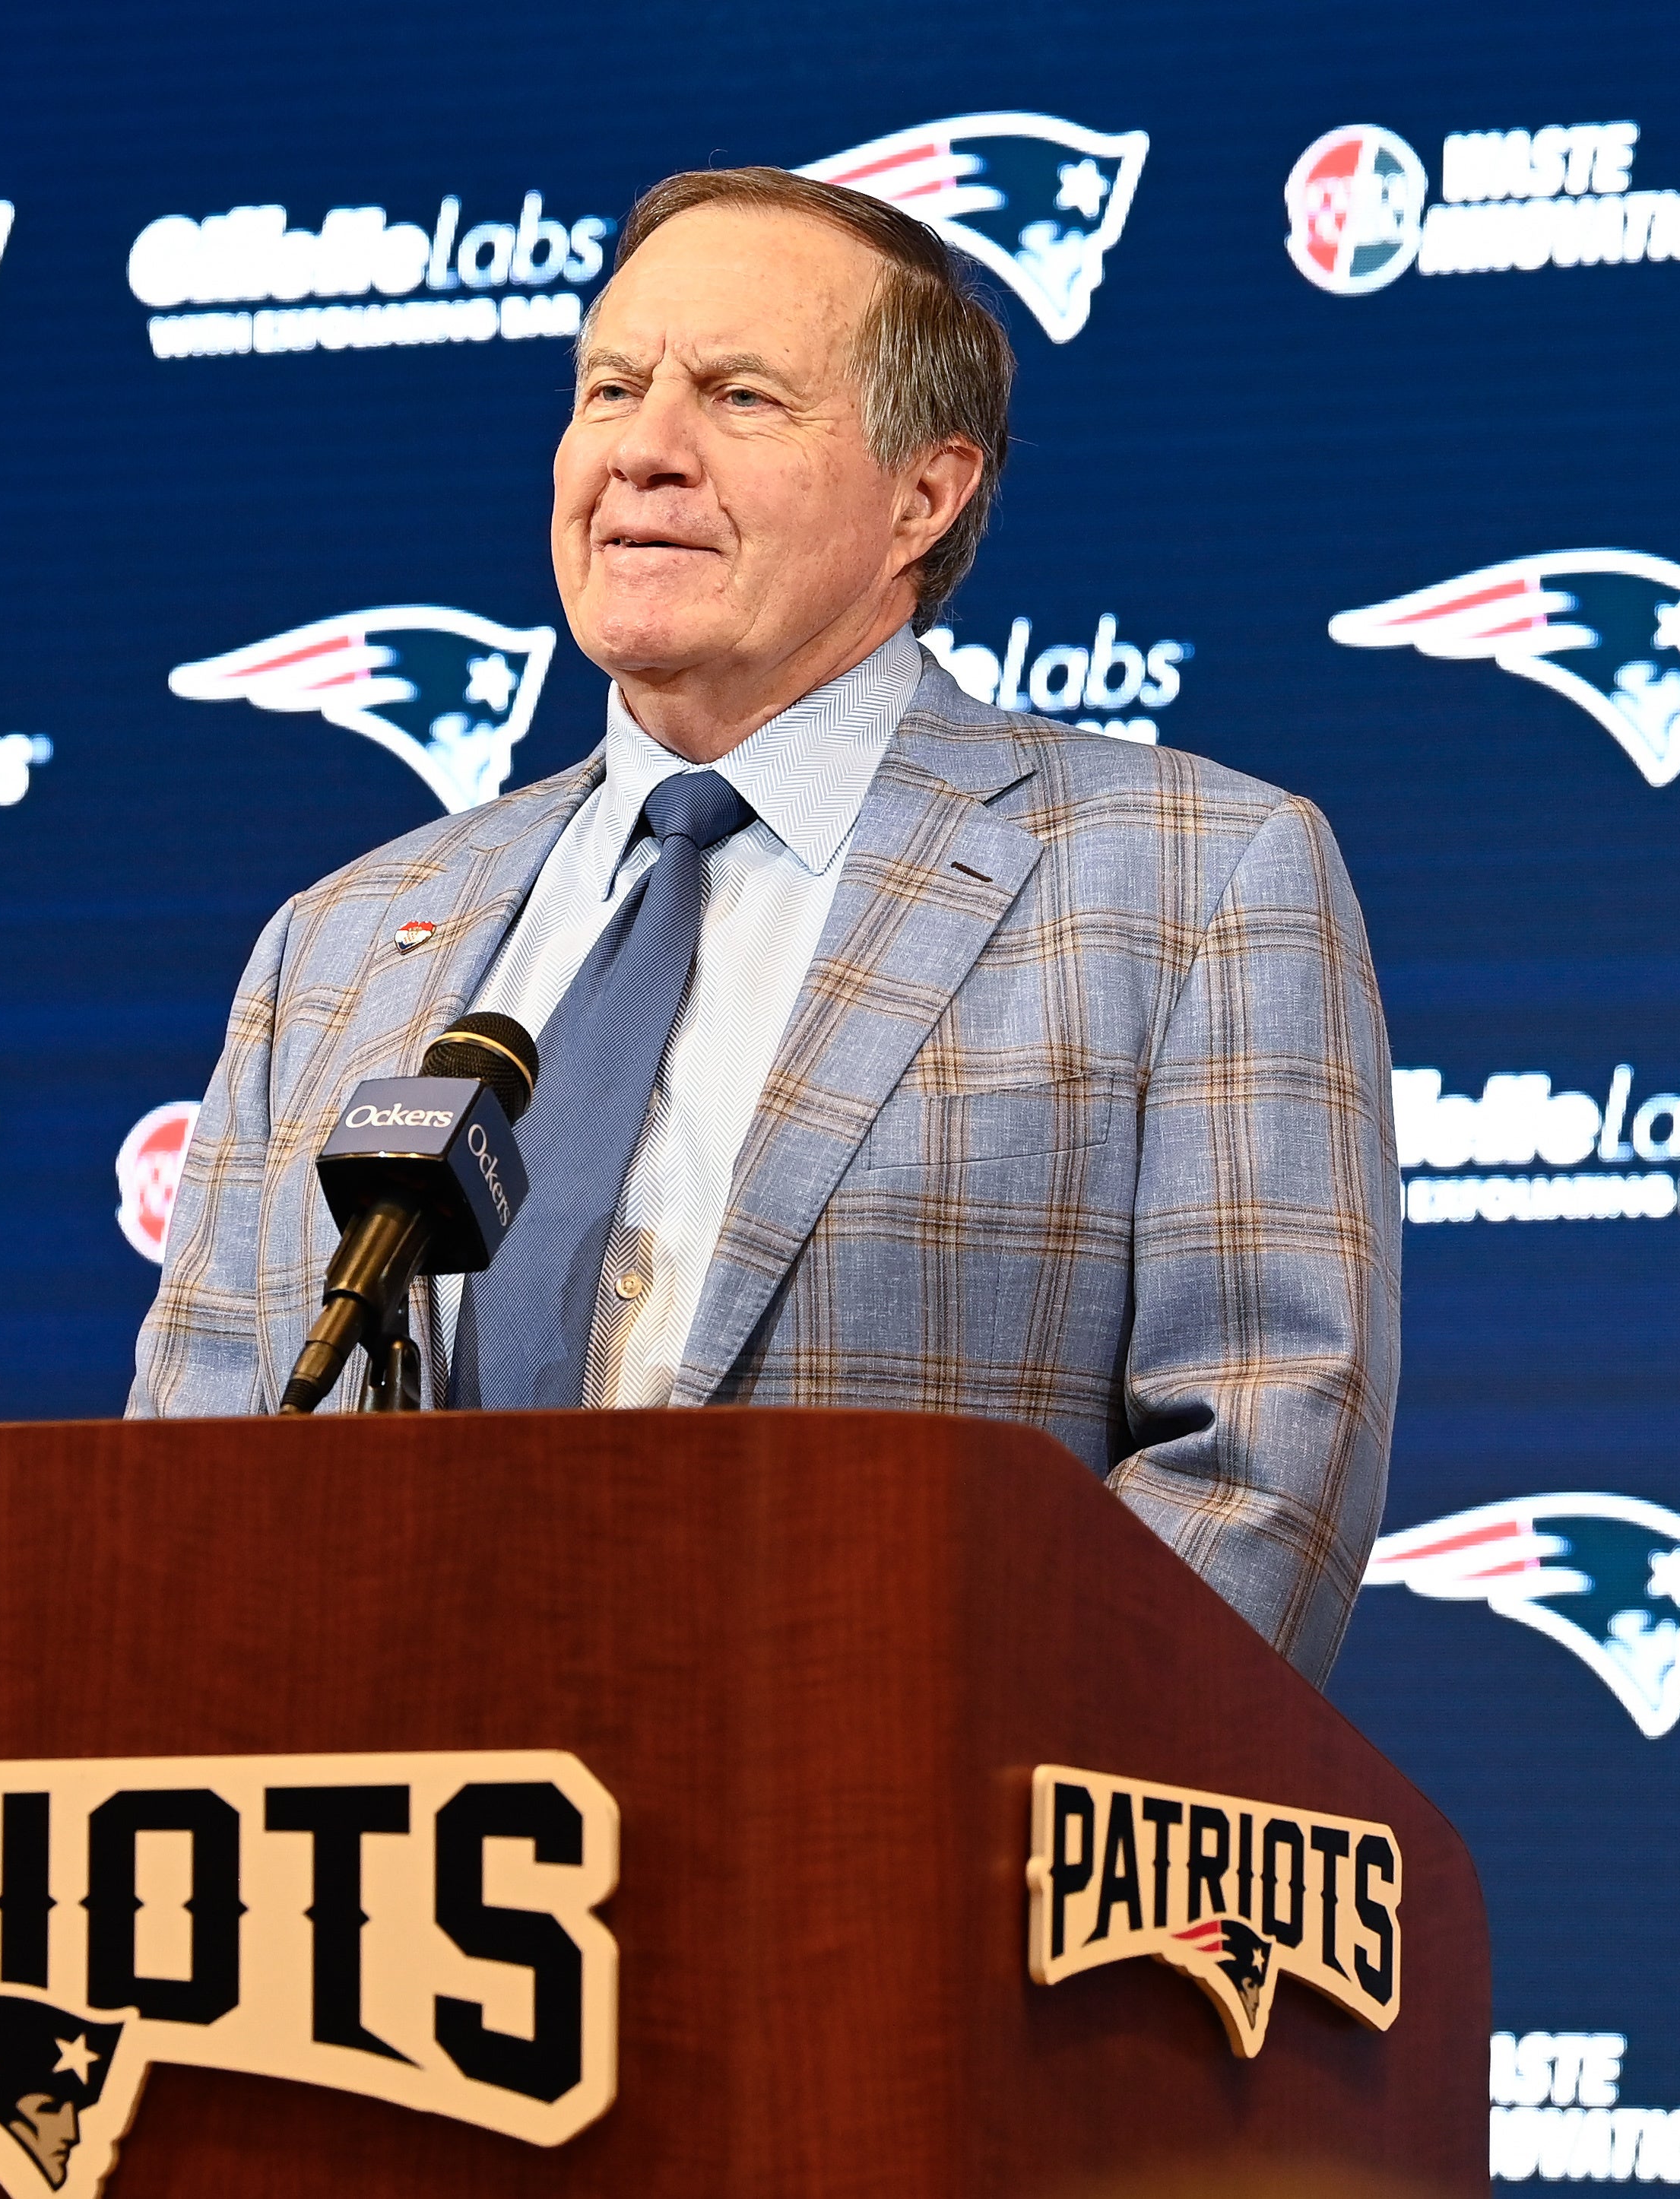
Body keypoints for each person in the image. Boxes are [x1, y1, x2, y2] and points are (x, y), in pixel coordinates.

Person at [132, 167, 1398, 1683]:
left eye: (739, 397)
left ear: (923, 495)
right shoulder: (339, 942)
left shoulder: (1191, 878)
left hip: (901, 1809)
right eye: (611, 388)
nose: (643, 451)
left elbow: (1255, 1464)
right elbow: (186, 1488)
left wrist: (925, 1789)